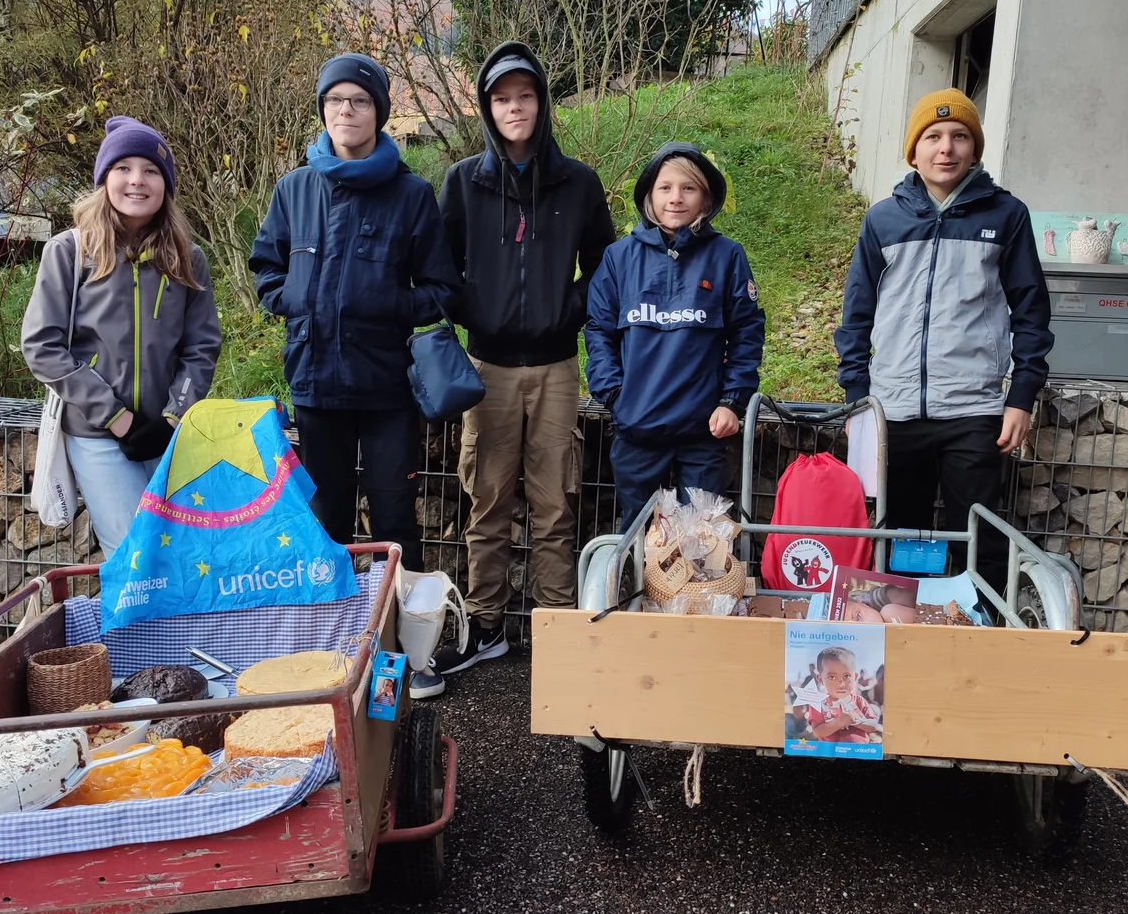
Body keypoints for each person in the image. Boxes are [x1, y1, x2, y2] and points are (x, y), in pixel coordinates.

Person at [432, 42, 616, 680]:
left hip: (556, 366)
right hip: (484, 370)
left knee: (554, 500)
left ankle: (556, 627)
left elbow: (604, 268)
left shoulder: (578, 183)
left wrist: (565, 311)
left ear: (542, 102)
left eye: (525, 96)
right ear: (487, 107)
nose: (515, 108)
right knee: (486, 499)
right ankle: (486, 626)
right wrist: (472, 312)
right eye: (502, 98)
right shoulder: (462, 182)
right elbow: (438, 267)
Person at [249, 54, 458, 595]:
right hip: (316, 383)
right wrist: (294, 299)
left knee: (394, 522)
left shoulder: (412, 196)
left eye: (360, 101)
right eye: (336, 100)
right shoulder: (294, 189)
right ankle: (330, 641)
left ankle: (402, 641)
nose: (347, 110)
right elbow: (265, 268)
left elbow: (441, 289)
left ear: (379, 112)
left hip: (389, 387)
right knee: (324, 521)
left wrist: (388, 303)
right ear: (323, 109)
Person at [834, 89, 1052, 599]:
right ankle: (899, 631)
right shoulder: (884, 219)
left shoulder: (1006, 216)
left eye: (959, 137)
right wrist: (856, 397)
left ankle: (984, 633)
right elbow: (856, 315)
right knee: (897, 534)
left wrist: (1020, 397)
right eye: (932, 137)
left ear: (975, 150)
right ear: (913, 152)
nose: (945, 148)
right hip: (894, 411)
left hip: (973, 410)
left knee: (979, 538)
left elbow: (1031, 311)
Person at [22, 116, 221, 556]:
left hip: (166, 434)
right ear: (104, 178)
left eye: (151, 170)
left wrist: (173, 415)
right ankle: (133, 629)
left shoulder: (188, 258)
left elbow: (202, 346)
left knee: (179, 553)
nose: (137, 180)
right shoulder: (70, 252)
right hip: (98, 436)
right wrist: (114, 415)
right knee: (134, 555)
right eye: (123, 168)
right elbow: (41, 345)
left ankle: (171, 630)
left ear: (165, 184)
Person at [586, 143, 765, 528]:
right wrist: (615, 396)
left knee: (702, 544)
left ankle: (699, 593)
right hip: (637, 428)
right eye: (665, 188)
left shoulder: (727, 256)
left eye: (689, 188)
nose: (676, 198)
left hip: (704, 431)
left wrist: (732, 401)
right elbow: (598, 330)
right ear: (649, 194)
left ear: (706, 197)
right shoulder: (619, 258)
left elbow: (747, 332)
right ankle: (633, 591)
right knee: (637, 540)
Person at [804, 646, 881, 744]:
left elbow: (873, 725)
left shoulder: (859, 701)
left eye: (846, 676)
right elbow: (818, 732)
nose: (840, 683)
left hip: (858, 753)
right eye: (832, 677)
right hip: (830, 755)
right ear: (820, 679)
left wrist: (856, 721)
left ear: (855, 677)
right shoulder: (818, 704)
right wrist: (839, 723)